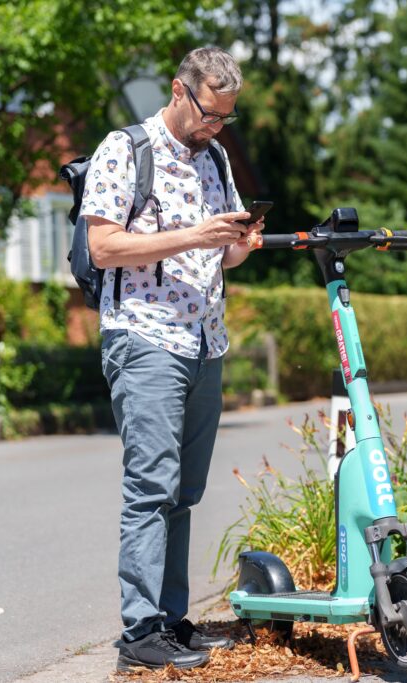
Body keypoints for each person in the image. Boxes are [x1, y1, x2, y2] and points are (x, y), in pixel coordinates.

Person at [80, 46, 262, 672]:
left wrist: (240, 242)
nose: (217, 128)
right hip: (146, 338)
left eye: (227, 119)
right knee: (149, 488)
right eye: (211, 114)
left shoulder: (214, 158)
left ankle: (172, 620)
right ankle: (139, 632)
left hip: (205, 341)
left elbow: (223, 256)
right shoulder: (124, 149)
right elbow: (102, 246)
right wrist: (196, 235)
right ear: (181, 92)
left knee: (184, 492)